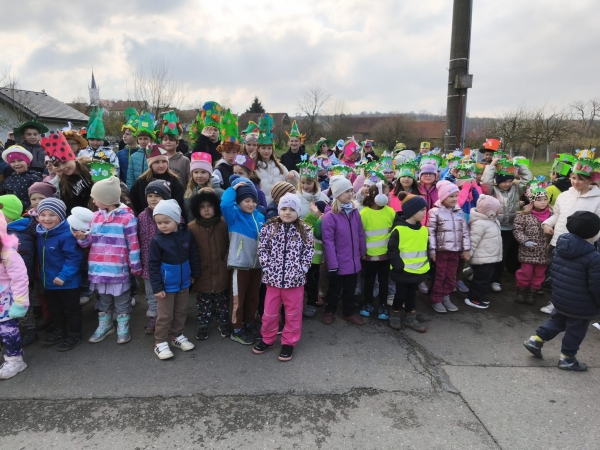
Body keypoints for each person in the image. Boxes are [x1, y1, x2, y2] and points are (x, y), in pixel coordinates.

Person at [523, 211, 600, 372]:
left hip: (560, 298)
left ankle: (535, 340)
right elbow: (596, 286)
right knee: (575, 331)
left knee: (557, 321)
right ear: (594, 234)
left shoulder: (560, 248)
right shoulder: (593, 258)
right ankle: (567, 359)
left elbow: (554, 271)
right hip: (582, 305)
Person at [74, 177, 142, 344]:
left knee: (122, 299)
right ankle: (105, 325)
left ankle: (123, 327)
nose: (93, 201)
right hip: (98, 268)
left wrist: (135, 266)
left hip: (118, 269)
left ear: (106, 199)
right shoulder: (94, 217)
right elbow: (89, 242)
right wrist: (82, 238)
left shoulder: (127, 218)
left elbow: (133, 244)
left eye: (95, 198)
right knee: (103, 299)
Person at [254, 194, 314, 361]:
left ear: (298, 211)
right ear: (279, 210)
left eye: (292, 209)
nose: (287, 212)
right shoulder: (269, 228)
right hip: (272, 280)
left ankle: (289, 342)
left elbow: (309, 250)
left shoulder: (304, 229)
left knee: (293, 314)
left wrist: (303, 268)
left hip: (295, 282)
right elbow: (262, 249)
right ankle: (268, 338)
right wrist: (266, 266)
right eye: (284, 209)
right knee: (269, 313)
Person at [540, 151, 600, 314]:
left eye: (580, 179)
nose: (575, 182)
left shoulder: (597, 199)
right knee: (558, 275)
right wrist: (547, 223)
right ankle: (556, 302)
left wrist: (590, 239)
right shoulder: (564, 196)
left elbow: (598, 225)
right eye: (573, 178)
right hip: (560, 242)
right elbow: (557, 215)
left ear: (590, 180)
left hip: (582, 247)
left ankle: (572, 306)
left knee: (574, 278)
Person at [149, 199, 199, 360]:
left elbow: (193, 255)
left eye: (166, 222)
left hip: (184, 283)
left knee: (181, 311)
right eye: (159, 223)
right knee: (165, 315)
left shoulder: (186, 235)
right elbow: (153, 266)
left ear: (176, 219)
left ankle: (177, 335)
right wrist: (157, 288)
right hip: (166, 287)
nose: (162, 226)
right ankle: (160, 341)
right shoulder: (157, 241)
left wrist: (194, 274)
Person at [221, 175, 265, 345]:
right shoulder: (234, 216)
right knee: (238, 298)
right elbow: (225, 204)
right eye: (246, 200)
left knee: (253, 297)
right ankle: (237, 328)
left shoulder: (260, 217)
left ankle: (249, 322)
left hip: (257, 265)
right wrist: (233, 189)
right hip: (240, 264)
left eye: (253, 201)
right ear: (238, 201)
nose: (251, 204)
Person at [35, 198, 84, 351]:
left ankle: (75, 334)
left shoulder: (66, 234)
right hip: (49, 281)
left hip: (67, 282)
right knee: (55, 309)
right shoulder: (40, 232)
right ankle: (59, 331)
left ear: (61, 216)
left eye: (52, 215)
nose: (47, 218)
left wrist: (64, 276)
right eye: (43, 214)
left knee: (71, 310)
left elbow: (74, 258)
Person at [481, 156, 532, 292]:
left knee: (506, 254)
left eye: (510, 181)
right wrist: (492, 164)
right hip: (496, 227)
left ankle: (500, 277)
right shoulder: (492, 191)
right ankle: (491, 278)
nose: (507, 184)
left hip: (511, 228)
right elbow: (485, 182)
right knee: (495, 254)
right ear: (497, 181)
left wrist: (518, 164)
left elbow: (527, 179)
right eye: (503, 181)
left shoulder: (516, 190)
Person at [321, 175, 366, 326]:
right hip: (338, 262)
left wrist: (362, 251)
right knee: (334, 289)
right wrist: (333, 264)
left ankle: (349, 312)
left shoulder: (354, 211)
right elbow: (328, 242)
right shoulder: (330, 216)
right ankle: (329, 311)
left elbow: (360, 232)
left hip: (353, 260)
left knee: (350, 289)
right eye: (346, 191)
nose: (350, 193)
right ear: (337, 194)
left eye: (351, 190)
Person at [188, 188, 231, 340]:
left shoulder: (223, 224)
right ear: (196, 209)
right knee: (203, 301)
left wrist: (226, 260)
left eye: (210, 206)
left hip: (221, 268)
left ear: (215, 207)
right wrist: (193, 270)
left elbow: (229, 244)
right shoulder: (192, 228)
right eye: (202, 207)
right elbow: (190, 251)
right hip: (202, 271)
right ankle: (203, 323)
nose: (206, 210)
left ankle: (223, 321)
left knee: (222, 299)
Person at [427, 181, 471, 313]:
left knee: (451, 276)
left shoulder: (459, 211)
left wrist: (466, 249)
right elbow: (431, 232)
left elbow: (465, 231)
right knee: (440, 276)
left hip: (455, 251)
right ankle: (436, 299)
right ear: (443, 197)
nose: (455, 199)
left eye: (456, 196)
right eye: (451, 196)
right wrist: (432, 250)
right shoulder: (435, 212)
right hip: (441, 251)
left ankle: (446, 296)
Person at [387, 193, 429, 332]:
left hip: (418, 271)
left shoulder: (423, 230)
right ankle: (395, 314)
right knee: (400, 295)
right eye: (421, 210)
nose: (425, 212)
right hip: (402, 272)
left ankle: (411, 318)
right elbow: (392, 250)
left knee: (412, 295)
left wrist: (427, 263)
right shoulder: (399, 230)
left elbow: (425, 249)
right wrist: (399, 266)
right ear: (412, 211)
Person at [137, 180, 171, 334]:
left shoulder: (173, 215)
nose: (153, 199)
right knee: (151, 292)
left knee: (167, 292)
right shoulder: (142, 217)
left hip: (167, 262)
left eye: (157, 196)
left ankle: (167, 317)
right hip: (148, 262)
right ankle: (154, 316)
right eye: (150, 196)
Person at [0, 208, 30, 379]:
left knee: (8, 331)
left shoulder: (8, 254)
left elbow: (20, 279)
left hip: (6, 300)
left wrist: (20, 303)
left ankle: (15, 360)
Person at [359, 183, 395, 320]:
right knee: (368, 280)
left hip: (385, 255)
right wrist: (362, 252)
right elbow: (360, 235)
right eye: (385, 194)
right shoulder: (364, 213)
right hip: (369, 256)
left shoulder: (390, 212)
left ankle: (383, 305)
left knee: (383, 281)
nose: (388, 197)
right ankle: (367, 303)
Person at [464, 195, 502, 309]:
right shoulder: (479, 224)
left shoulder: (492, 220)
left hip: (489, 257)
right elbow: (473, 240)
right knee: (480, 279)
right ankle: (473, 299)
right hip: (482, 258)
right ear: (490, 212)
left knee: (485, 279)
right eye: (497, 209)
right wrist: (468, 253)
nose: (499, 211)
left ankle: (479, 296)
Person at [41, 131, 93, 216]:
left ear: (73, 157)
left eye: (64, 162)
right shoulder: (63, 182)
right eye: (57, 165)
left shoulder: (91, 166)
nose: (61, 167)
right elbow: (69, 208)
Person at [130, 144, 185, 215]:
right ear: (151, 164)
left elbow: (179, 202)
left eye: (164, 161)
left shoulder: (174, 181)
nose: (161, 165)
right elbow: (135, 201)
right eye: (157, 162)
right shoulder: (141, 182)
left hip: (167, 218)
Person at [253, 135, 297, 205]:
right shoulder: (253, 167)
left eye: (269, 148)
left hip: (278, 205)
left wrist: (292, 175)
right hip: (260, 204)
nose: (266, 151)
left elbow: (290, 183)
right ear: (258, 149)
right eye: (263, 148)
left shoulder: (280, 167)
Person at [77, 107, 119, 174]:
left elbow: (116, 170)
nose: (95, 143)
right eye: (92, 140)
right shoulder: (82, 153)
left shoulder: (110, 154)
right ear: (88, 139)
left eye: (98, 140)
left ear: (103, 140)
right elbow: (78, 169)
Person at [184, 152, 223, 222]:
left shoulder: (218, 192)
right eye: (196, 172)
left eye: (203, 172)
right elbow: (189, 215)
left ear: (209, 174)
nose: (199, 176)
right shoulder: (189, 193)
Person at [159, 111, 189, 187]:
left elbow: (189, 181)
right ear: (162, 142)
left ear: (177, 143)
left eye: (171, 140)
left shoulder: (184, 161)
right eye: (165, 140)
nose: (168, 142)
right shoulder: (158, 159)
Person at [126, 112, 155, 190]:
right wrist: (130, 192)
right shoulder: (133, 156)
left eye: (145, 139)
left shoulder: (156, 154)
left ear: (151, 139)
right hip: (138, 191)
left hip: (152, 191)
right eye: (140, 139)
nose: (142, 141)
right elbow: (130, 177)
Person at [212, 109, 240, 190]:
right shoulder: (219, 170)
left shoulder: (240, 167)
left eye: (234, 152)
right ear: (222, 152)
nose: (231, 156)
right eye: (227, 152)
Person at [116, 108, 141, 184]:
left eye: (127, 134)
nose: (124, 136)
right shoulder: (119, 154)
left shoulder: (142, 153)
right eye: (124, 134)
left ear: (136, 136)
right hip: (123, 187)